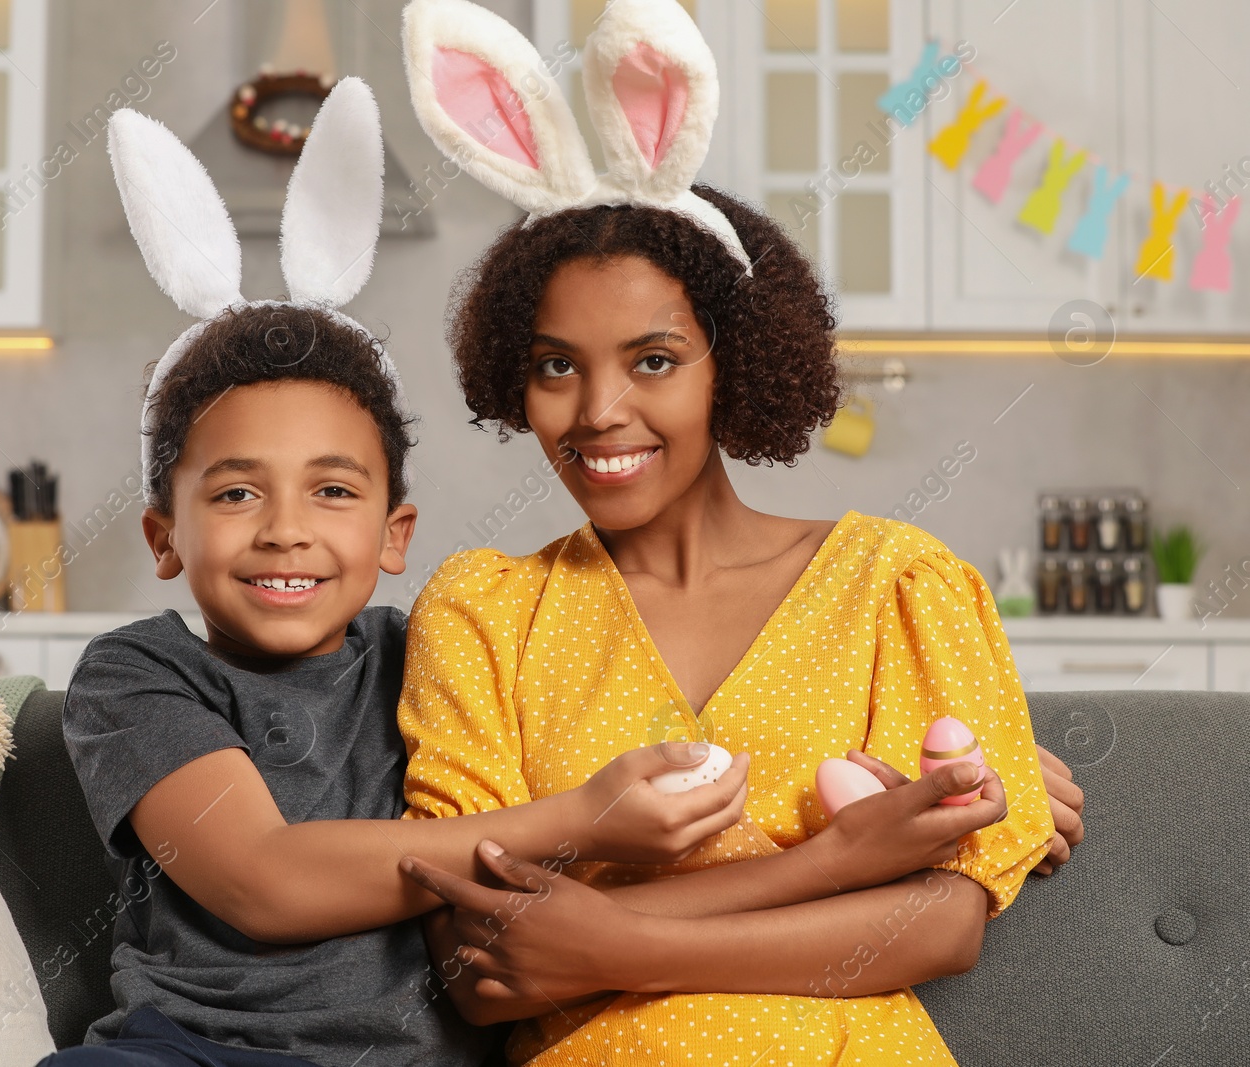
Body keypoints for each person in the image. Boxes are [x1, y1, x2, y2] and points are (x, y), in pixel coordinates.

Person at [393, 1, 1085, 1063]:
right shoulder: (483, 610)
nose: (598, 412)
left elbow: (941, 923)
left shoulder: (896, 582)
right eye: (555, 365)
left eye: (654, 360)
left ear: (737, 362)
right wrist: (830, 870)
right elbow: (481, 970)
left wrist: (608, 937)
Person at [42, 82, 755, 1067]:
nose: (286, 531)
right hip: (191, 1050)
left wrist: (975, 759)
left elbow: (676, 691)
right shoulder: (137, 676)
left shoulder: (444, 648)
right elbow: (266, 877)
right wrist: (581, 816)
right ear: (165, 536)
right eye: (238, 495)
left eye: (333, 491)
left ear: (394, 531)